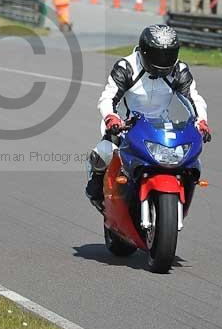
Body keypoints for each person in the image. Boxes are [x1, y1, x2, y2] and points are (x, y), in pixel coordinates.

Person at [85, 25, 211, 208]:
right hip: (126, 123)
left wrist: (202, 122)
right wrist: (111, 117)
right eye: (157, 55)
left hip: (160, 124)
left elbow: (193, 98)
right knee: (104, 151)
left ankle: (180, 194)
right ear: (144, 51)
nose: (163, 61)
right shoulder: (127, 67)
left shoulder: (179, 70)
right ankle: (95, 189)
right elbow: (108, 97)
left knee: (189, 160)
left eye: (168, 55)